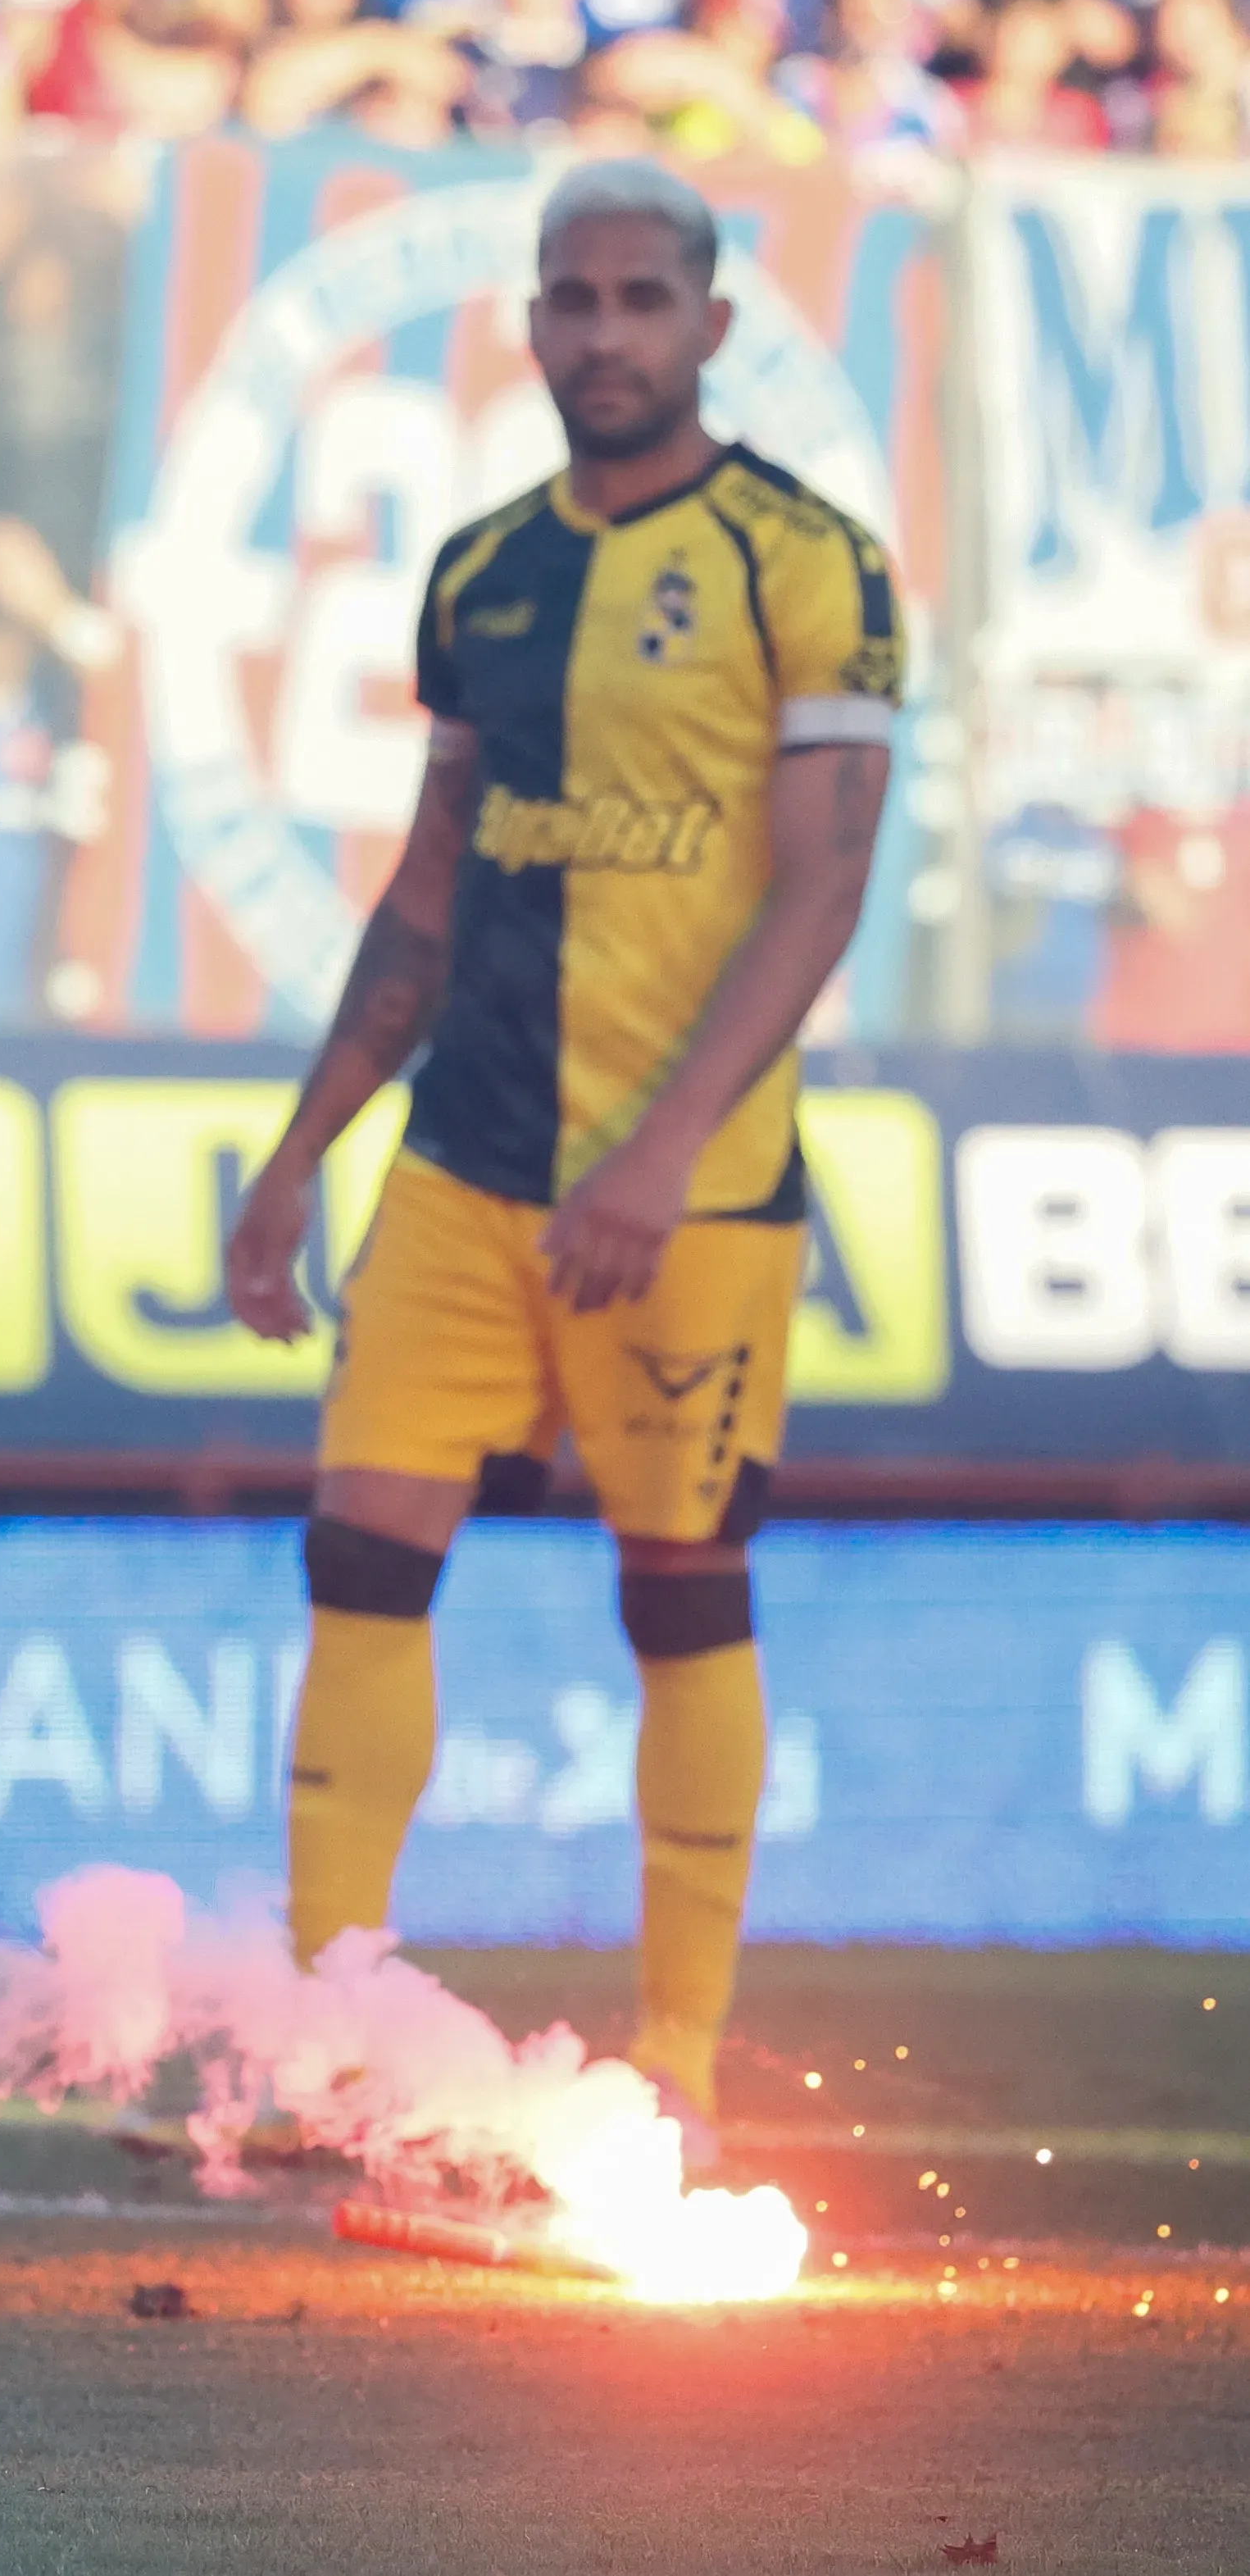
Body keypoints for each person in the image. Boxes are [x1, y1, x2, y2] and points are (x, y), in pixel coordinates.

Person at [221, 163, 902, 2166]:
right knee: (358, 1559)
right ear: (529, 329)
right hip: (462, 1170)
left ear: (707, 327)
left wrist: (662, 1147)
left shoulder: (805, 558)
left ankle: (677, 2057)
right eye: (570, 301)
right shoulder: (483, 574)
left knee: (680, 1589)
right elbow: (425, 894)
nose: (602, 333)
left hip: (684, 1195)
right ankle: (337, 2045)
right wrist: (296, 1158)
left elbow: (826, 873)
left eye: (639, 299)